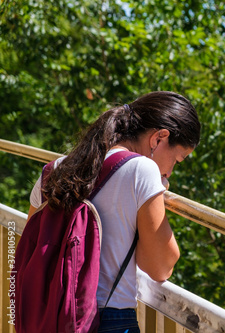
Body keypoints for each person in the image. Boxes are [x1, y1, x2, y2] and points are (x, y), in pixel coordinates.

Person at [27, 91, 201, 332]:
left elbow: (30, 244)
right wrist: (156, 192)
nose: (170, 171)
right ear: (159, 138)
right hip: (107, 321)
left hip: (45, 317)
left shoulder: (54, 169)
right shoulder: (143, 170)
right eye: (177, 160)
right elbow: (161, 267)